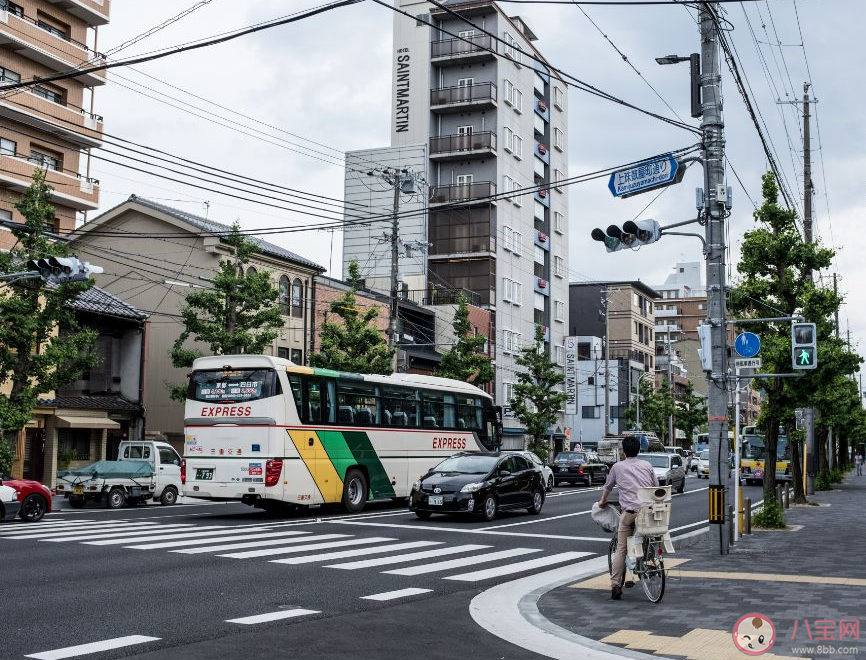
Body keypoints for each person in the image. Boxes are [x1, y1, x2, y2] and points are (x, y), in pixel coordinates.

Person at [598, 436, 658, 601]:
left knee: (621, 549)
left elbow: (608, 487)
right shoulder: (647, 465)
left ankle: (615, 585)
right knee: (646, 536)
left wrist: (602, 502)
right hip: (648, 512)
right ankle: (645, 560)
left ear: (623, 451)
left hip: (630, 512)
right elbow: (656, 487)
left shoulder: (617, 467)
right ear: (639, 450)